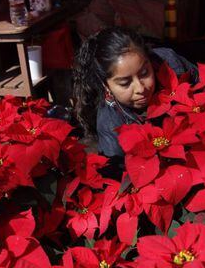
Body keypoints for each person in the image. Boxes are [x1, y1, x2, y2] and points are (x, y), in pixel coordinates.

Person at [73, 27, 197, 178]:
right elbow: (118, 175)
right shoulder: (110, 123)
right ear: (106, 85)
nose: (140, 88)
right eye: (125, 83)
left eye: (144, 73)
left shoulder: (169, 62)